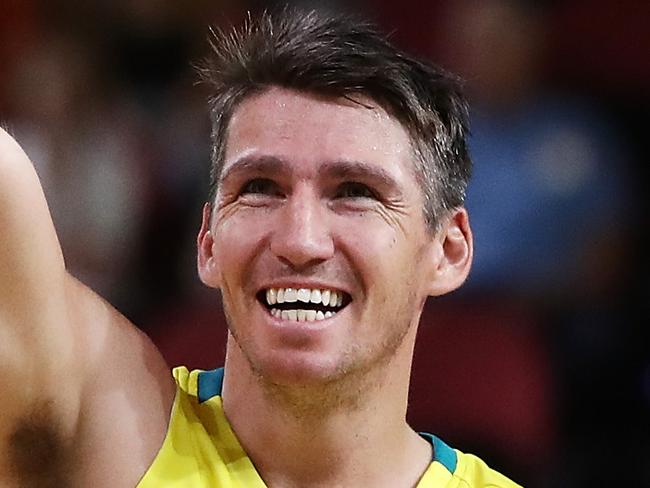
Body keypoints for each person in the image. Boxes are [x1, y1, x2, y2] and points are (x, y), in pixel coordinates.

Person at [0, 8, 520, 488]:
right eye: (259, 188)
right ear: (207, 242)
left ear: (447, 250)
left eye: (356, 193)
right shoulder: (110, 431)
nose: (300, 241)